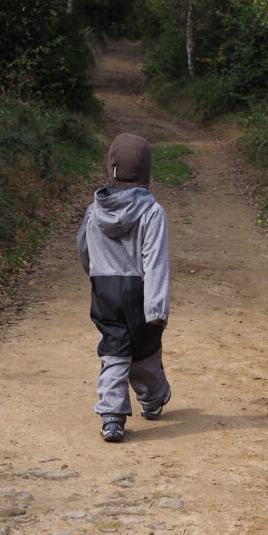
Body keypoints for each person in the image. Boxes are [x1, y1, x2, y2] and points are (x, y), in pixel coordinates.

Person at [77, 132, 171, 443]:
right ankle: (154, 397)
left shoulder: (95, 210)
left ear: (112, 169)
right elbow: (155, 260)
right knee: (144, 351)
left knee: (114, 350)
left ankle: (112, 417)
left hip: (105, 288)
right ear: (147, 173)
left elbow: (84, 247)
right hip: (141, 289)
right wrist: (156, 308)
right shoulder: (152, 212)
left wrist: (94, 274)